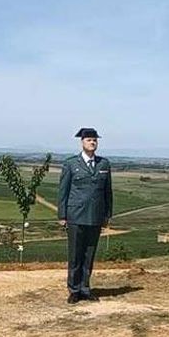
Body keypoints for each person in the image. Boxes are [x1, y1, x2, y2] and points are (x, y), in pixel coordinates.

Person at [57, 128, 113, 304]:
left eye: (95, 140)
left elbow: (107, 192)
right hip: (76, 215)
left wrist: (107, 215)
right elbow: (63, 191)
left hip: (95, 216)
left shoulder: (104, 164)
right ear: (82, 142)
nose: (93, 142)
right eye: (89, 139)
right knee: (75, 254)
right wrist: (62, 215)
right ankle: (74, 290)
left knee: (89, 254)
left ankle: (85, 288)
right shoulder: (71, 164)